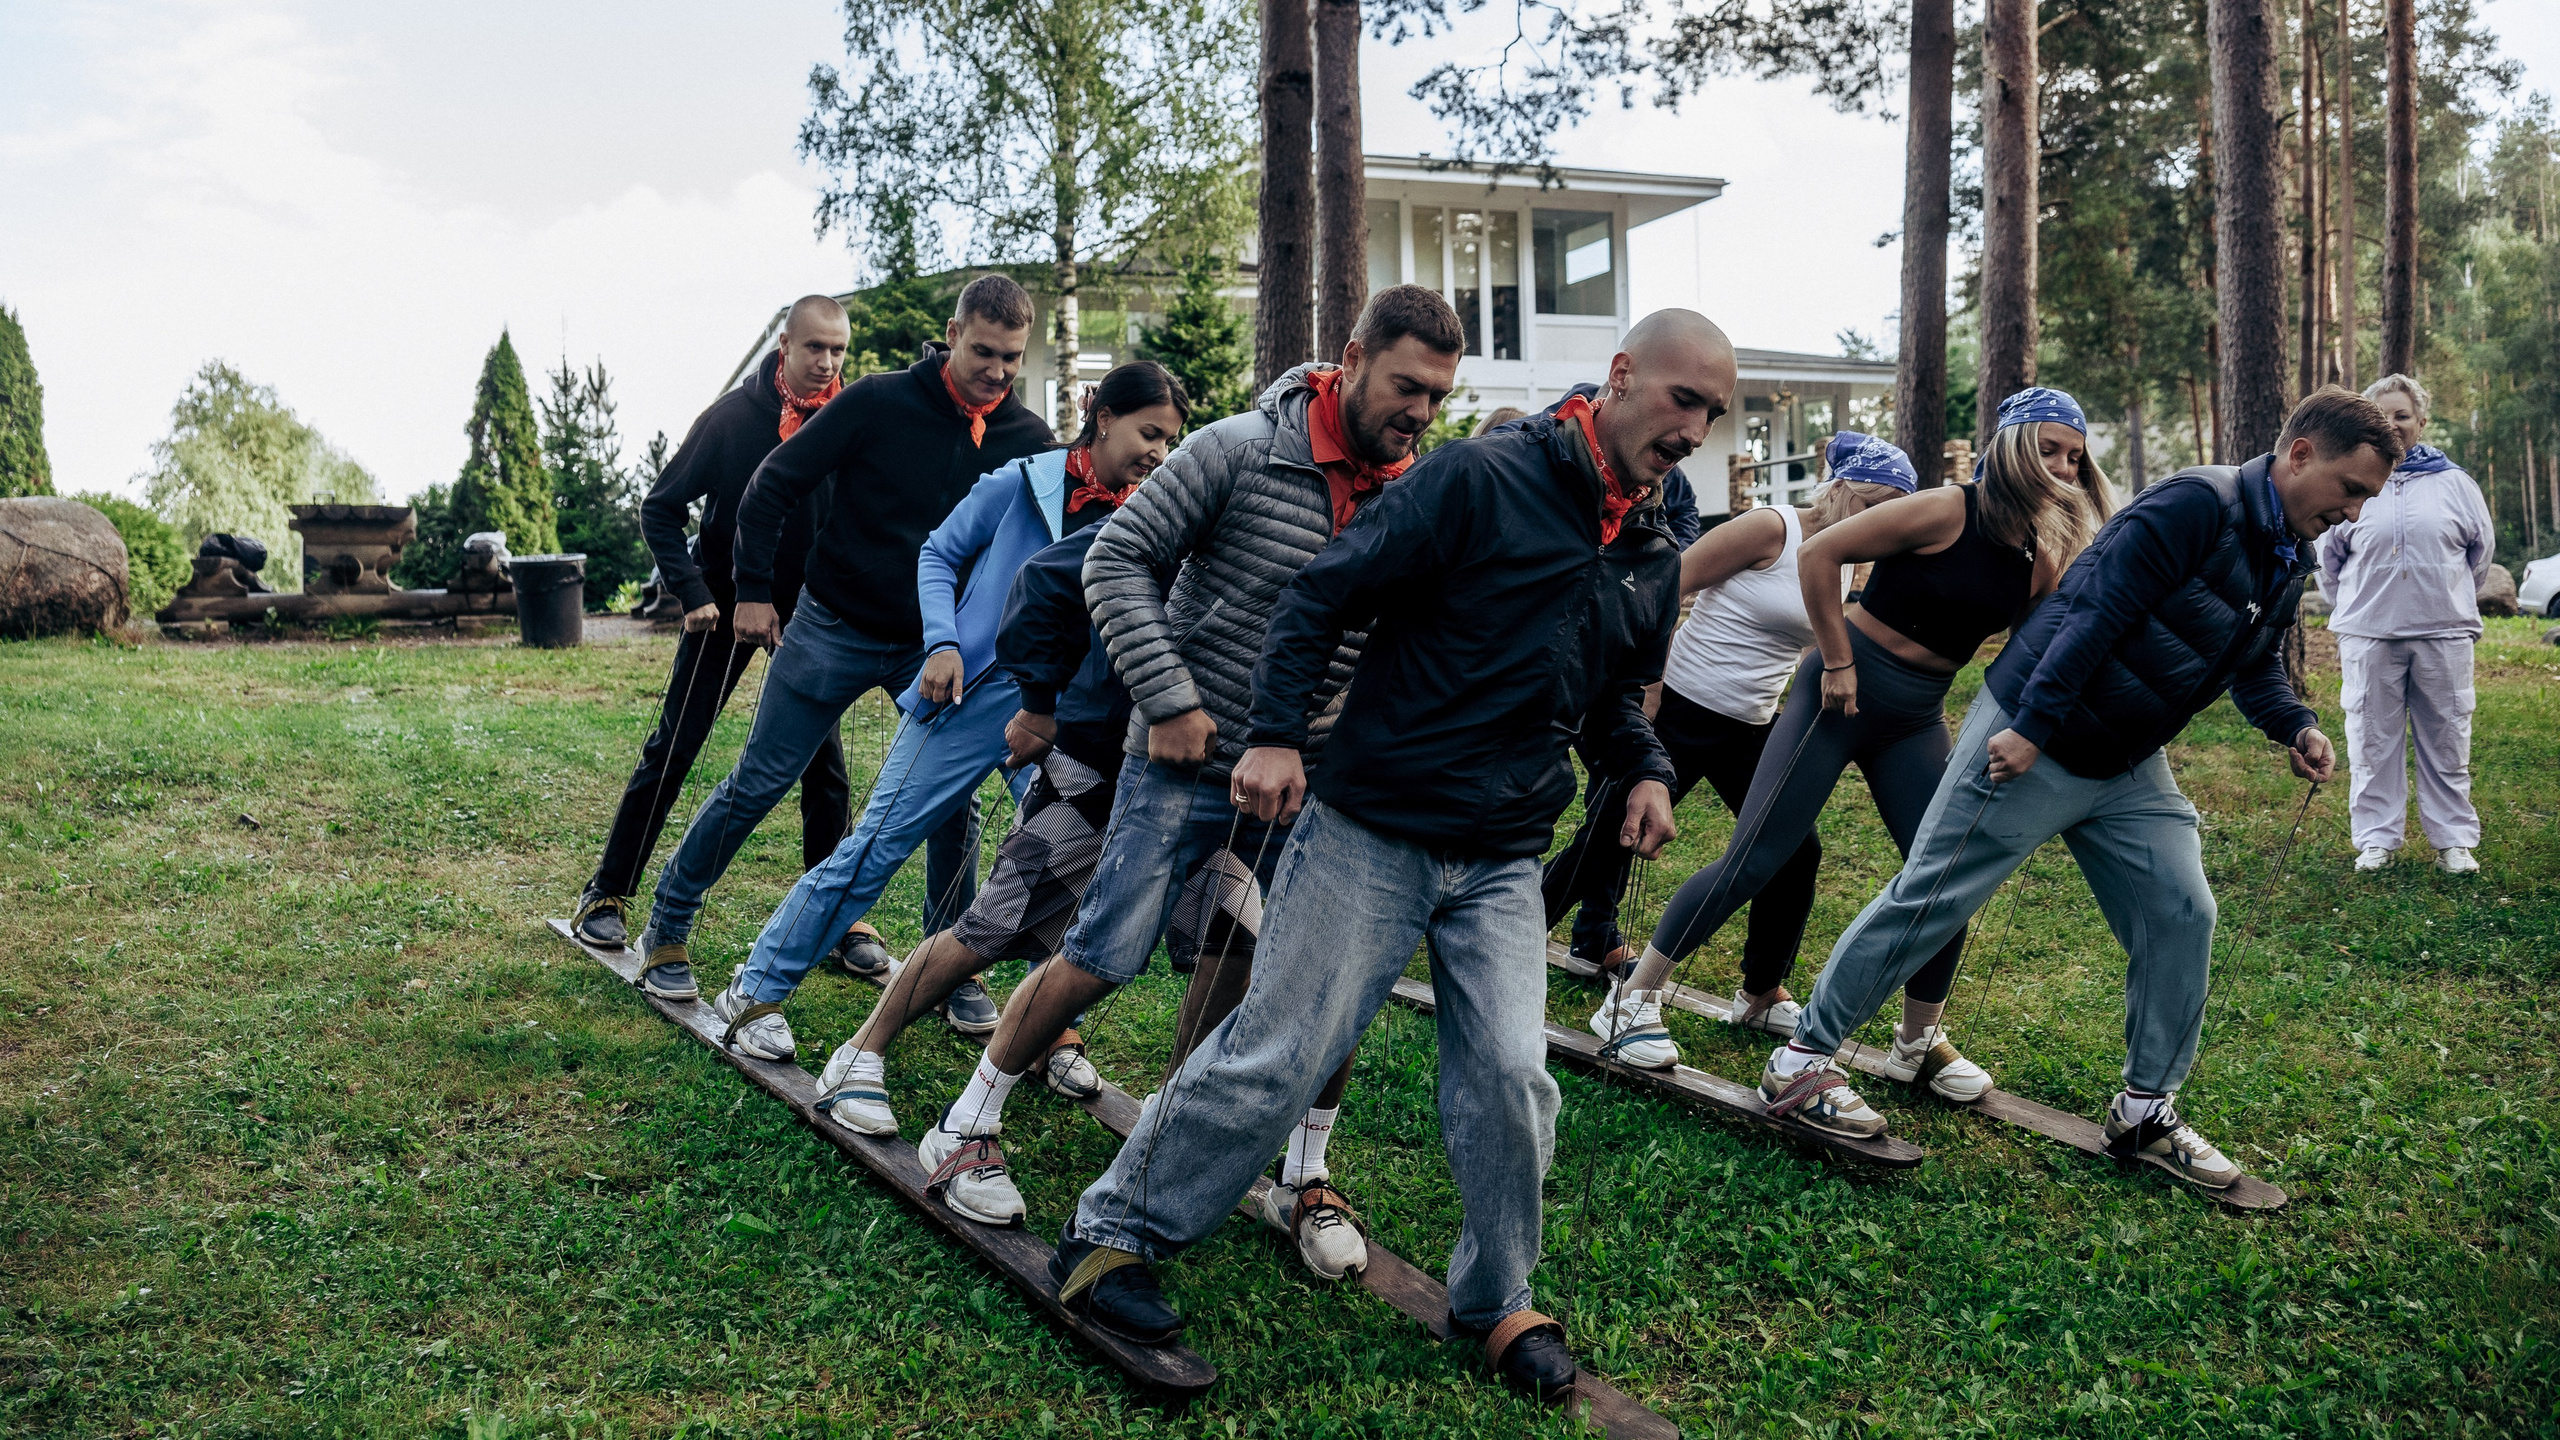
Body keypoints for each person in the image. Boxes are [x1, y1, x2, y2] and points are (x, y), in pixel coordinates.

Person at [1051, 310, 1733, 1404]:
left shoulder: (1654, 545)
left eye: (1714, 410)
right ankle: (1115, 1234)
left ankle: (1497, 1296)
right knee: (1279, 1049)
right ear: (1618, 378)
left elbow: (1607, 692)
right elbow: (1322, 595)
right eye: (1683, 400)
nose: (1696, 428)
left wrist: (1643, 765)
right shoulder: (1476, 479)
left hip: (1503, 854)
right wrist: (1273, 734)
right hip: (1372, 825)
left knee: (1514, 1074)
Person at [883, 286, 1465, 1283]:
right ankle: (965, 1121)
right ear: (1355, 355)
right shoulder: (1237, 447)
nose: (1418, 411)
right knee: (1106, 948)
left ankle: (1300, 1171)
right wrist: (1171, 701)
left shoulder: (1415, 491)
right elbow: (1113, 563)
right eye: (1406, 385)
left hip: (1311, 779)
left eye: (1438, 398)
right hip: (1185, 756)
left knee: (1318, 975)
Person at [1761, 387, 2390, 1186]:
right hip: (2037, 729)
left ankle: (2144, 1110)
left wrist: (2292, 723)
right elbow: (2096, 608)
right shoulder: (2195, 504)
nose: (2356, 512)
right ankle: (1803, 1059)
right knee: (1933, 896)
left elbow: (2253, 658)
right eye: (2352, 490)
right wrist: (2032, 726)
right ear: (2302, 455)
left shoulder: (2287, 548)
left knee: (2181, 908)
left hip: (2129, 760)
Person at [1600, 393, 2114, 1098]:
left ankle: (1917, 1039)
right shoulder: (1945, 508)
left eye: (2074, 457)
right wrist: (1837, 661)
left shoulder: (2040, 553)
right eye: (2049, 448)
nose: (2061, 466)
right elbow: (1820, 553)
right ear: (2011, 445)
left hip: (1915, 716)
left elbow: (2032, 649)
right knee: (1756, 858)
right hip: (1836, 696)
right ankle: (1630, 999)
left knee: (1946, 873)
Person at [709, 363, 1191, 1048]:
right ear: (1104, 416)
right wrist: (942, 642)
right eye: (1150, 433)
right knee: (877, 846)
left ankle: (1051, 1034)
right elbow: (939, 554)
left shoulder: (1152, 515)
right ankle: (753, 992)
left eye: (1171, 442)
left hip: (1067, 715)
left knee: (1061, 865)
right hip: (975, 695)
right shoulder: (1018, 482)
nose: (1159, 454)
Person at [630, 276, 1053, 1029]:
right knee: (759, 780)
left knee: (951, 806)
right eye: (983, 352)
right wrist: (753, 590)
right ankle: (668, 923)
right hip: (832, 625)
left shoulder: (1024, 439)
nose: (996, 371)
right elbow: (772, 484)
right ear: (952, 335)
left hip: (934, 648)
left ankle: (944, 965)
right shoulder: (878, 402)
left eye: (1011, 359)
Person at [1542, 429, 1920, 1005]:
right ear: (1841, 489)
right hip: (1681, 708)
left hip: (1751, 725)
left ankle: (1762, 990)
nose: (1878, 527)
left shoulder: (1844, 555)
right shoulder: (1772, 528)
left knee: (1796, 852)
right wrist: (1648, 685)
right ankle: (1517, 936)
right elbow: (1663, 590)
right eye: (1872, 508)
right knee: (1605, 840)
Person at [568, 297, 857, 953]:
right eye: (814, 348)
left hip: (808, 614)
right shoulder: (731, 419)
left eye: (838, 350)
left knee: (824, 766)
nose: (826, 362)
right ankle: (607, 890)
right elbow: (660, 508)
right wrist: (692, 590)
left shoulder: (848, 422)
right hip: (725, 603)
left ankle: (832, 921)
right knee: (676, 744)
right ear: (784, 344)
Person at [2320, 373, 2493, 876]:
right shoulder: (2349, 479)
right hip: (2369, 634)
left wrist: (2441, 595)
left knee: (2447, 738)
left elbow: (2480, 558)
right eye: (2382, 416)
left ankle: (2454, 843)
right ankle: (2376, 840)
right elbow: (2329, 559)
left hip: (2443, 632)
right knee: (2372, 739)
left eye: (2402, 415)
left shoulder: (2456, 484)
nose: (2393, 425)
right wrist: (2363, 604)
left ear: (2421, 421)